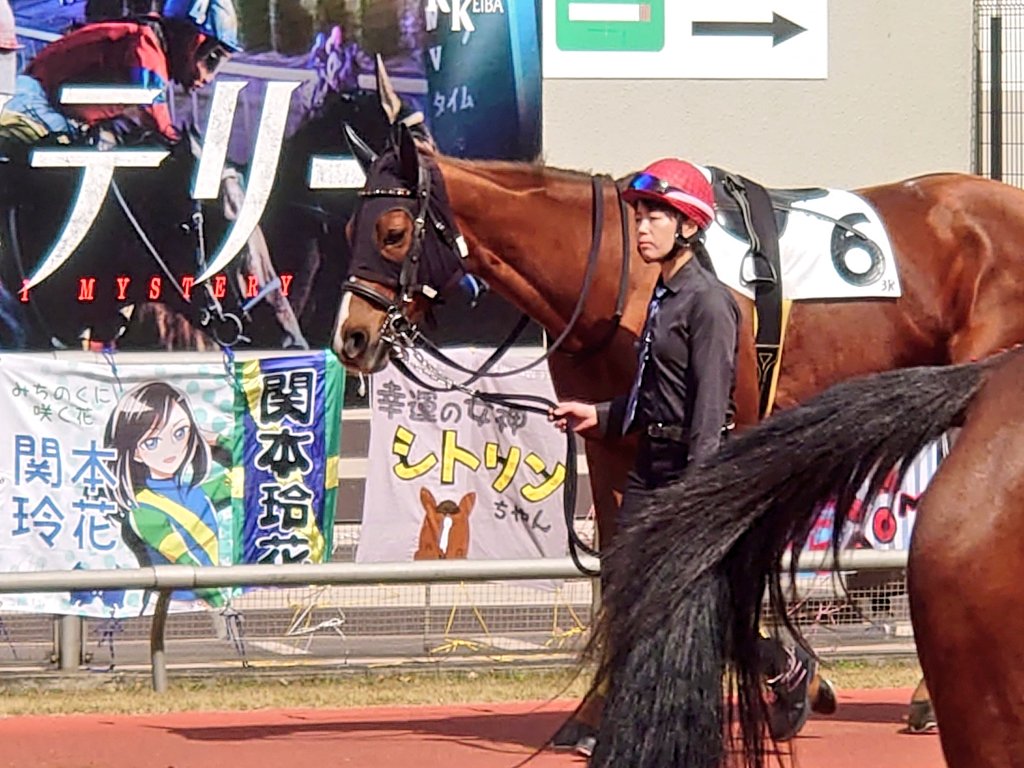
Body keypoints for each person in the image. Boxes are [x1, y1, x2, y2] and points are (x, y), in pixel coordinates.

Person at [549, 158, 834, 756]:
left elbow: (709, 411)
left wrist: (697, 502)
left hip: (687, 479)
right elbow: (651, 394)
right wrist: (596, 416)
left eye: (655, 215)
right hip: (649, 469)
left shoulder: (709, 304)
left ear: (688, 225)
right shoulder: (659, 295)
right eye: (640, 215)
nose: (643, 227)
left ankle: (776, 666)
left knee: (691, 618)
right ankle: (631, 733)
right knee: (631, 603)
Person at [0, 0, 240, 147]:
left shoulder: (145, 39)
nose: (208, 77)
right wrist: (176, 142)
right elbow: (154, 113)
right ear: (190, 40)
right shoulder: (145, 44)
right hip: (34, 105)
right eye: (210, 60)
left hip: (43, 103)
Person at [104, 380, 230, 607]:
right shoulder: (142, 509)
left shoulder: (198, 492)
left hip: (208, 604)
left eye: (180, 432)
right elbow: (185, 560)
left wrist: (217, 441)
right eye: (152, 442)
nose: (170, 448)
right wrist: (221, 604)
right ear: (134, 451)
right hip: (168, 609)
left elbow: (256, 470)